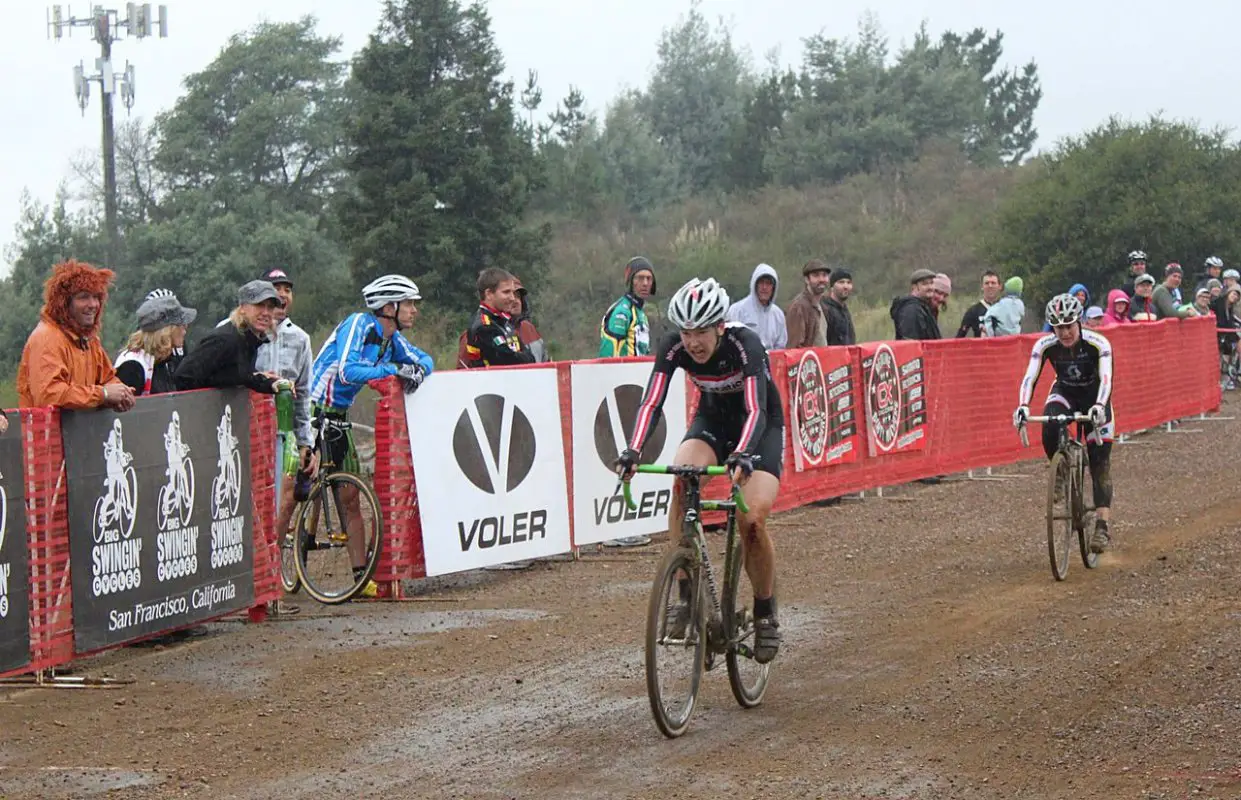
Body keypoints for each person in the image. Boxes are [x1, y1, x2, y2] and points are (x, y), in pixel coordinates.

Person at [615, 277, 786, 664]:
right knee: (682, 478)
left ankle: (764, 612)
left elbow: (758, 409)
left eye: (702, 332)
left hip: (758, 428)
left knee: (751, 521)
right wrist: (632, 449)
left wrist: (742, 453)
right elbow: (651, 401)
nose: (693, 342)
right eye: (687, 331)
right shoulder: (674, 346)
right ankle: (686, 594)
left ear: (720, 327)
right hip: (711, 422)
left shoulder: (746, 345)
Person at [310, 275, 433, 596]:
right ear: (388, 307)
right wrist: (394, 370)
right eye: (409, 304)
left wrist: (416, 370)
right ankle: (267, 580)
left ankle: (359, 575)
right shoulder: (358, 325)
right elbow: (348, 370)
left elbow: (424, 359)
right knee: (291, 495)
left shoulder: (389, 338)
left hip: (338, 416)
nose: (414, 311)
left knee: (350, 498)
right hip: (309, 412)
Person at [1013, 294, 1115, 553]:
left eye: (1069, 326)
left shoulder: (1097, 343)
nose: (1065, 333)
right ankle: (1060, 469)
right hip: (1066, 392)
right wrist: (1023, 406)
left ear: (1079, 322)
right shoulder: (1045, 345)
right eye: (1059, 327)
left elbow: (1106, 378)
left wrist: (1100, 406)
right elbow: (1030, 377)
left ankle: (1102, 525)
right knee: (1049, 423)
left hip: (1095, 397)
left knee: (1099, 460)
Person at [17, 259, 135, 412]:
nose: (93, 304)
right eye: (83, 297)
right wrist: (103, 394)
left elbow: (107, 378)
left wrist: (121, 393)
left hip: (79, 434)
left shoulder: (89, 340)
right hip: (47, 434)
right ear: (64, 303)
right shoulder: (47, 339)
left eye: (96, 297)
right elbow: (49, 395)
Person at [175, 281, 290, 393]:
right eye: (259, 305)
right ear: (243, 308)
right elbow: (184, 376)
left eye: (270, 307)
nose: (265, 312)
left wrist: (269, 384)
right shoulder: (226, 339)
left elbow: (241, 376)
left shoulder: (249, 340)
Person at [115, 292, 197, 395]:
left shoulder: (164, 360)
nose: (185, 326)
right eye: (180, 323)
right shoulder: (132, 367)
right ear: (166, 330)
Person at [462, 268, 537, 368]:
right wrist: (521, 357)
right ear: (489, 294)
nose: (512, 298)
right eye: (506, 292)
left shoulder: (505, 321)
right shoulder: (483, 326)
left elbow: (531, 358)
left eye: (513, 293)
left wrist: (522, 357)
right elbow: (507, 360)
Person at [599, 256, 656, 357]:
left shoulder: (640, 313)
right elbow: (609, 353)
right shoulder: (622, 311)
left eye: (649, 278)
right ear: (630, 281)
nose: (645, 283)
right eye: (640, 278)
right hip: (622, 371)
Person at [725, 264, 787, 350]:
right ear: (754, 284)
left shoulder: (778, 315)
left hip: (771, 362)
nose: (764, 287)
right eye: (761, 282)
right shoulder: (737, 310)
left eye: (768, 283)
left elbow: (781, 346)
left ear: (774, 288)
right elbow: (728, 343)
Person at [784, 259, 830, 348]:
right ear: (807, 279)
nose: (821, 279)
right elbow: (794, 347)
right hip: (809, 361)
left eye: (824, 275)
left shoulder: (822, 306)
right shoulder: (799, 307)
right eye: (816, 276)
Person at [891, 269, 941, 340]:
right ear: (914, 287)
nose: (930, 287)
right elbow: (910, 342)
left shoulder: (924, 308)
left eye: (931, 283)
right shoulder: (910, 310)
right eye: (925, 284)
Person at [512, 277, 548, 362]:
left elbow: (545, 361)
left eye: (518, 296)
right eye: (510, 296)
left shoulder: (529, 328)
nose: (516, 301)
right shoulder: (493, 330)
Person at [956, 270, 1002, 337]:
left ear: (999, 286)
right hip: (982, 347)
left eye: (993, 283)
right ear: (982, 287)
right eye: (987, 283)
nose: (990, 286)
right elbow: (959, 337)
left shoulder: (1006, 308)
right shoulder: (973, 311)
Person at [822, 268, 856, 346]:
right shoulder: (825, 309)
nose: (845, 286)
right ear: (832, 287)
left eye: (848, 283)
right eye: (841, 282)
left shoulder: (845, 310)